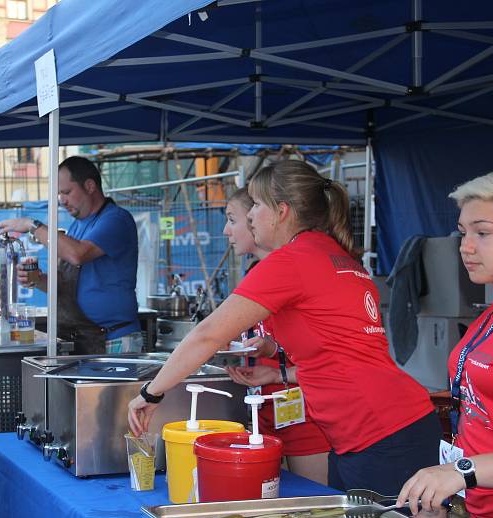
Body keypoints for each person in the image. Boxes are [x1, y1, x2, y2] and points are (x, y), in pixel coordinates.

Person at [129, 160, 440, 495]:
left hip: (379, 433)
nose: (250, 215)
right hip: (388, 425)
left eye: (257, 205)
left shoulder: (291, 261)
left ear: (282, 211)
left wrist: (152, 392)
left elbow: (208, 334)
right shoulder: (334, 254)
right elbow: (339, 357)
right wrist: (276, 374)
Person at [398, 170, 493, 518]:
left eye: (483, 232)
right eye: (464, 231)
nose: (465, 246)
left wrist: (459, 473)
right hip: (482, 511)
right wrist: (445, 493)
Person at [222, 187, 330, 485]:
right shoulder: (259, 271)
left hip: (305, 412)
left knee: (314, 507)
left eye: (233, 219)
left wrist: (273, 350)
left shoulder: (294, 268)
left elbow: (324, 352)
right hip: (265, 406)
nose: (226, 230)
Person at [0, 156, 140, 354]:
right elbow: (63, 284)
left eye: (66, 192)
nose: (61, 200)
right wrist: (37, 279)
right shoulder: (77, 226)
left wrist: (32, 225)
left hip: (114, 340)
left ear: (89, 186)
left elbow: (77, 254)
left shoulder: (116, 219)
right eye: (58, 194)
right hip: (85, 338)